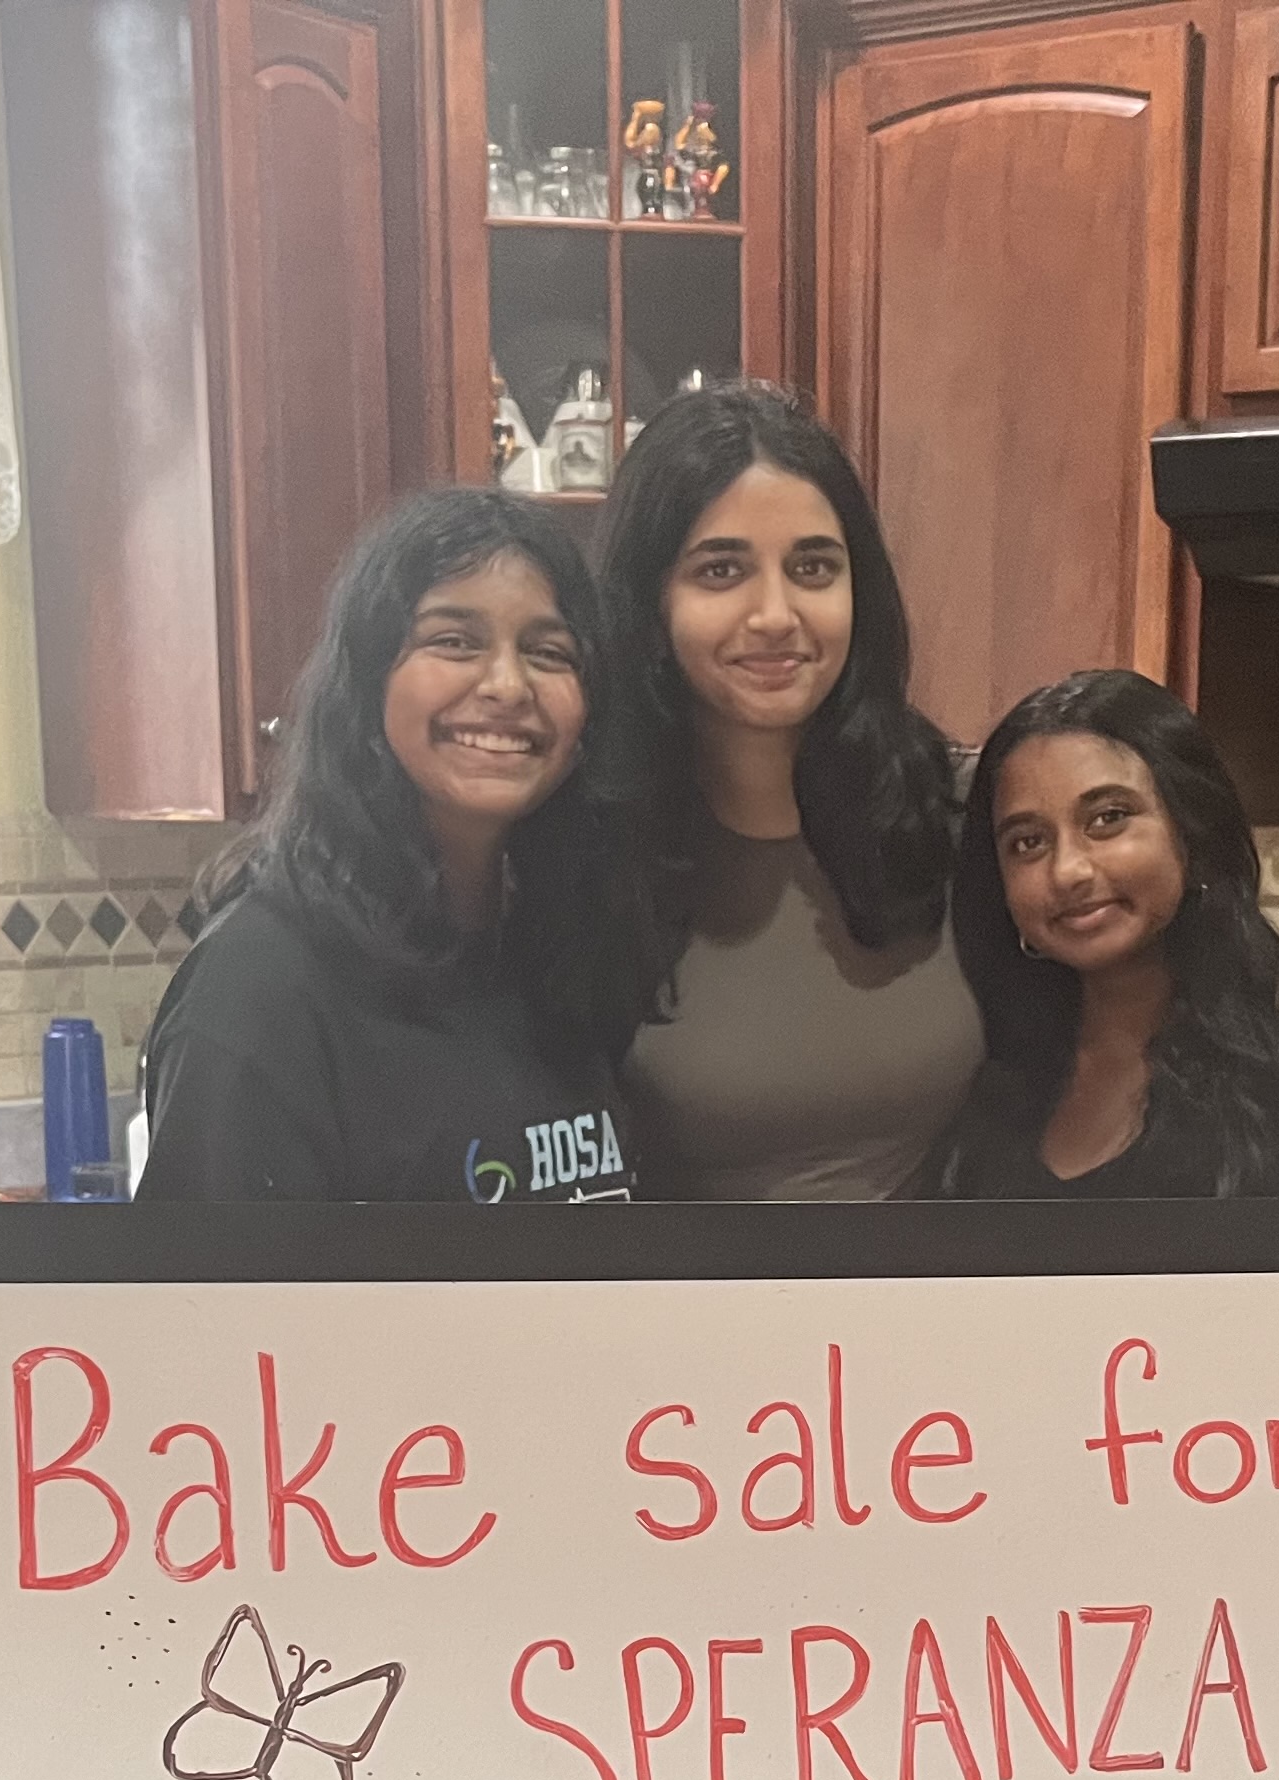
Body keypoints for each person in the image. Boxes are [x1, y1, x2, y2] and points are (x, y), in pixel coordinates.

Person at [139, 488, 644, 1204]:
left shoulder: (561, 957)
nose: (507, 684)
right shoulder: (260, 995)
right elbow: (205, 1309)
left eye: (548, 651)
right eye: (453, 641)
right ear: (368, 682)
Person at [594, 386, 983, 1200]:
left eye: (812, 567)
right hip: (696, 1322)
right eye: (721, 569)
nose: (775, 614)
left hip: (939, 1321)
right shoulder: (588, 847)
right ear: (649, 600)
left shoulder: (967, 813)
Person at [917, 669, 1279, 1200]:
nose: (1068, 870)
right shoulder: (985, 1086)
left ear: (1193, 831)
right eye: (1027, 842)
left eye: (1108, 818)